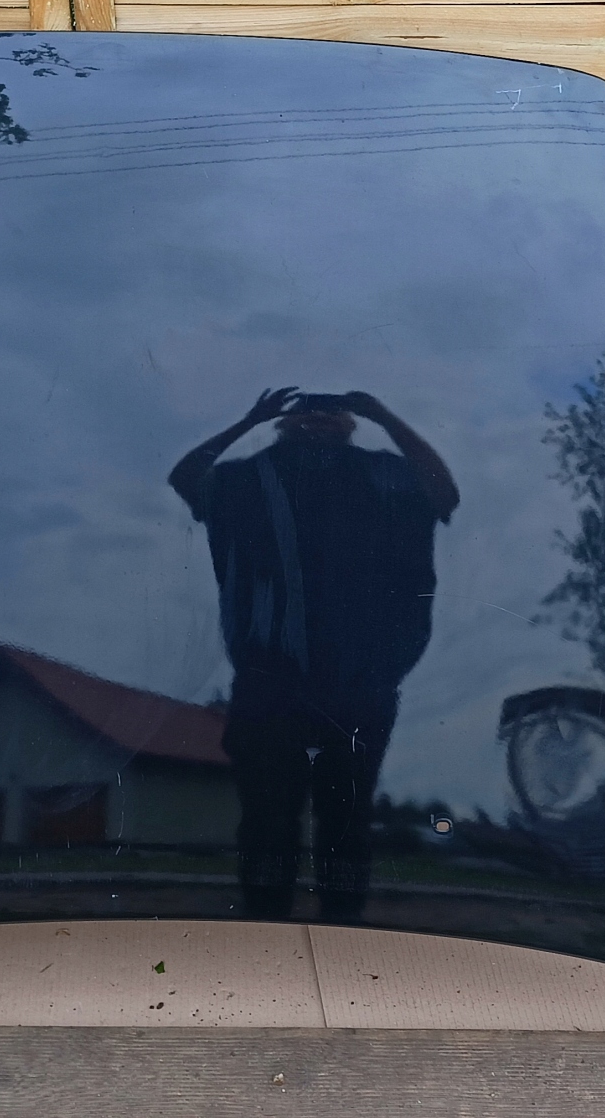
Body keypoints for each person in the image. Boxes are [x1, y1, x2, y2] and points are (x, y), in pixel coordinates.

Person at [170, 388, 458, 922]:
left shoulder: (384, 474)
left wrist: (384, 414)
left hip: (360, 684)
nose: (319, 416)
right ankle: (265, 930)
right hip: (269, 681)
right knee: (267, 821)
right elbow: (186, 478)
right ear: (283, 421)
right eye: (305, 408)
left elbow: (443, 495)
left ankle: (343, 934)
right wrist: (249, 420)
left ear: (352, 420)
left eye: (333, 407)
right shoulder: (248, 479)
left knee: (346, 822)